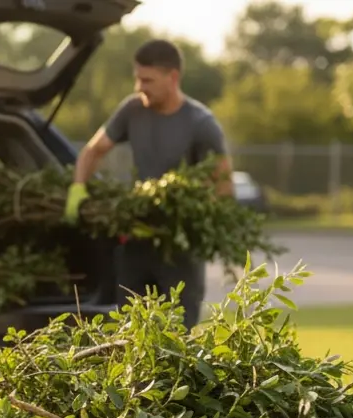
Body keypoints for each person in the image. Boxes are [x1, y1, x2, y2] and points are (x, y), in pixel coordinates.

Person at [64, 39, 234, 328]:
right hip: (136, 242)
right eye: (137, 78)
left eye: (147, 80)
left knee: (177, 336)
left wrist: (202, 222)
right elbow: (93, 151)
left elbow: (223, 184)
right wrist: (78, 187)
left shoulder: (201, 123)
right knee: (130, 333)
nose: (139, 86)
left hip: (180, 247)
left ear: (173, 78)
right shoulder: (132, 110)